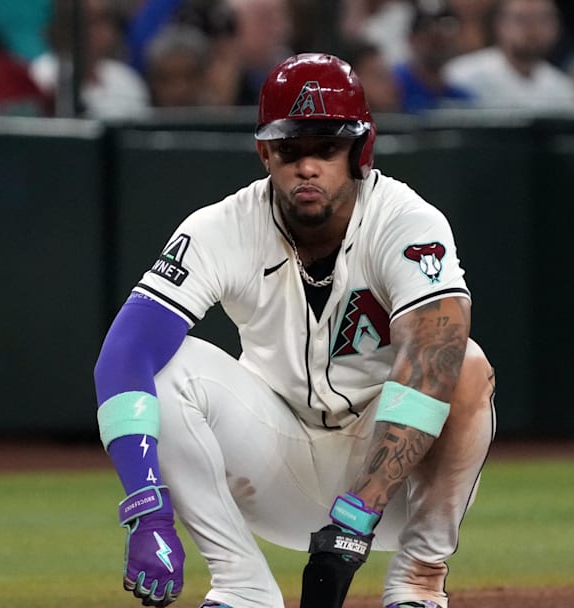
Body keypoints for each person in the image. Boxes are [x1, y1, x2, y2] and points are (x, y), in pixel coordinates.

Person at [93, 52, 496, 608]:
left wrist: (360, 511)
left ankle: (418, 583)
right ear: (264, 152)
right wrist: (147, 505)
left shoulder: (407, 221)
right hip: (273, 460)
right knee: (167, 366)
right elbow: (124, 354)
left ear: (359, 150)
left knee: (462, 361)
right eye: (289, 149)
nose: (307, 166)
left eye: (326, 148)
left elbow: (435, 353)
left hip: (393, 476)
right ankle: (241, 586)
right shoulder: (220, 228)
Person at [442, 0, 574, 108]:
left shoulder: (562, 87)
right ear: (499, 24)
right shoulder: (463, 75)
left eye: (543, 19)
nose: (533, 28)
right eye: (522, 19)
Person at [392, 0, 473, 112]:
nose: (437, 47)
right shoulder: (392, 85)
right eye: (429, 39)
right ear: (411, 39)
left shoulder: (460, 97)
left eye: (443, 40)